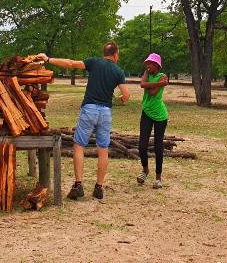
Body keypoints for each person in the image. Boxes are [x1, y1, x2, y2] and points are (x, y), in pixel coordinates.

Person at [36, 42, 130, 200]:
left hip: (89, 109)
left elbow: (71, 63)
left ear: (104, 53)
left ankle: (78, 185)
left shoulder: (94, 62)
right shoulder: (118, 71)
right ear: (115, 55)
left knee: (79, 145)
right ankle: (99, 187)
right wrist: (120, 99)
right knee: (103, 149)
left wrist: (48, 59)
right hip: (106, 112)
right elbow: (126, 96)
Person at [137, 53, 169, 189]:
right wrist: (159, 84)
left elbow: (152, 92)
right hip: (146, 113)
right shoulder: (150, 74)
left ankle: (158, 178)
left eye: (150, 63)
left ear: (157, 65)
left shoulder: (162, 76)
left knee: (158, 146)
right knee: (142, 145)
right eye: (147, 63)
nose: (147, 65)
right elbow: (142, 85)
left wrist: (156, 83)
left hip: (160, 116)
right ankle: (145, 170)